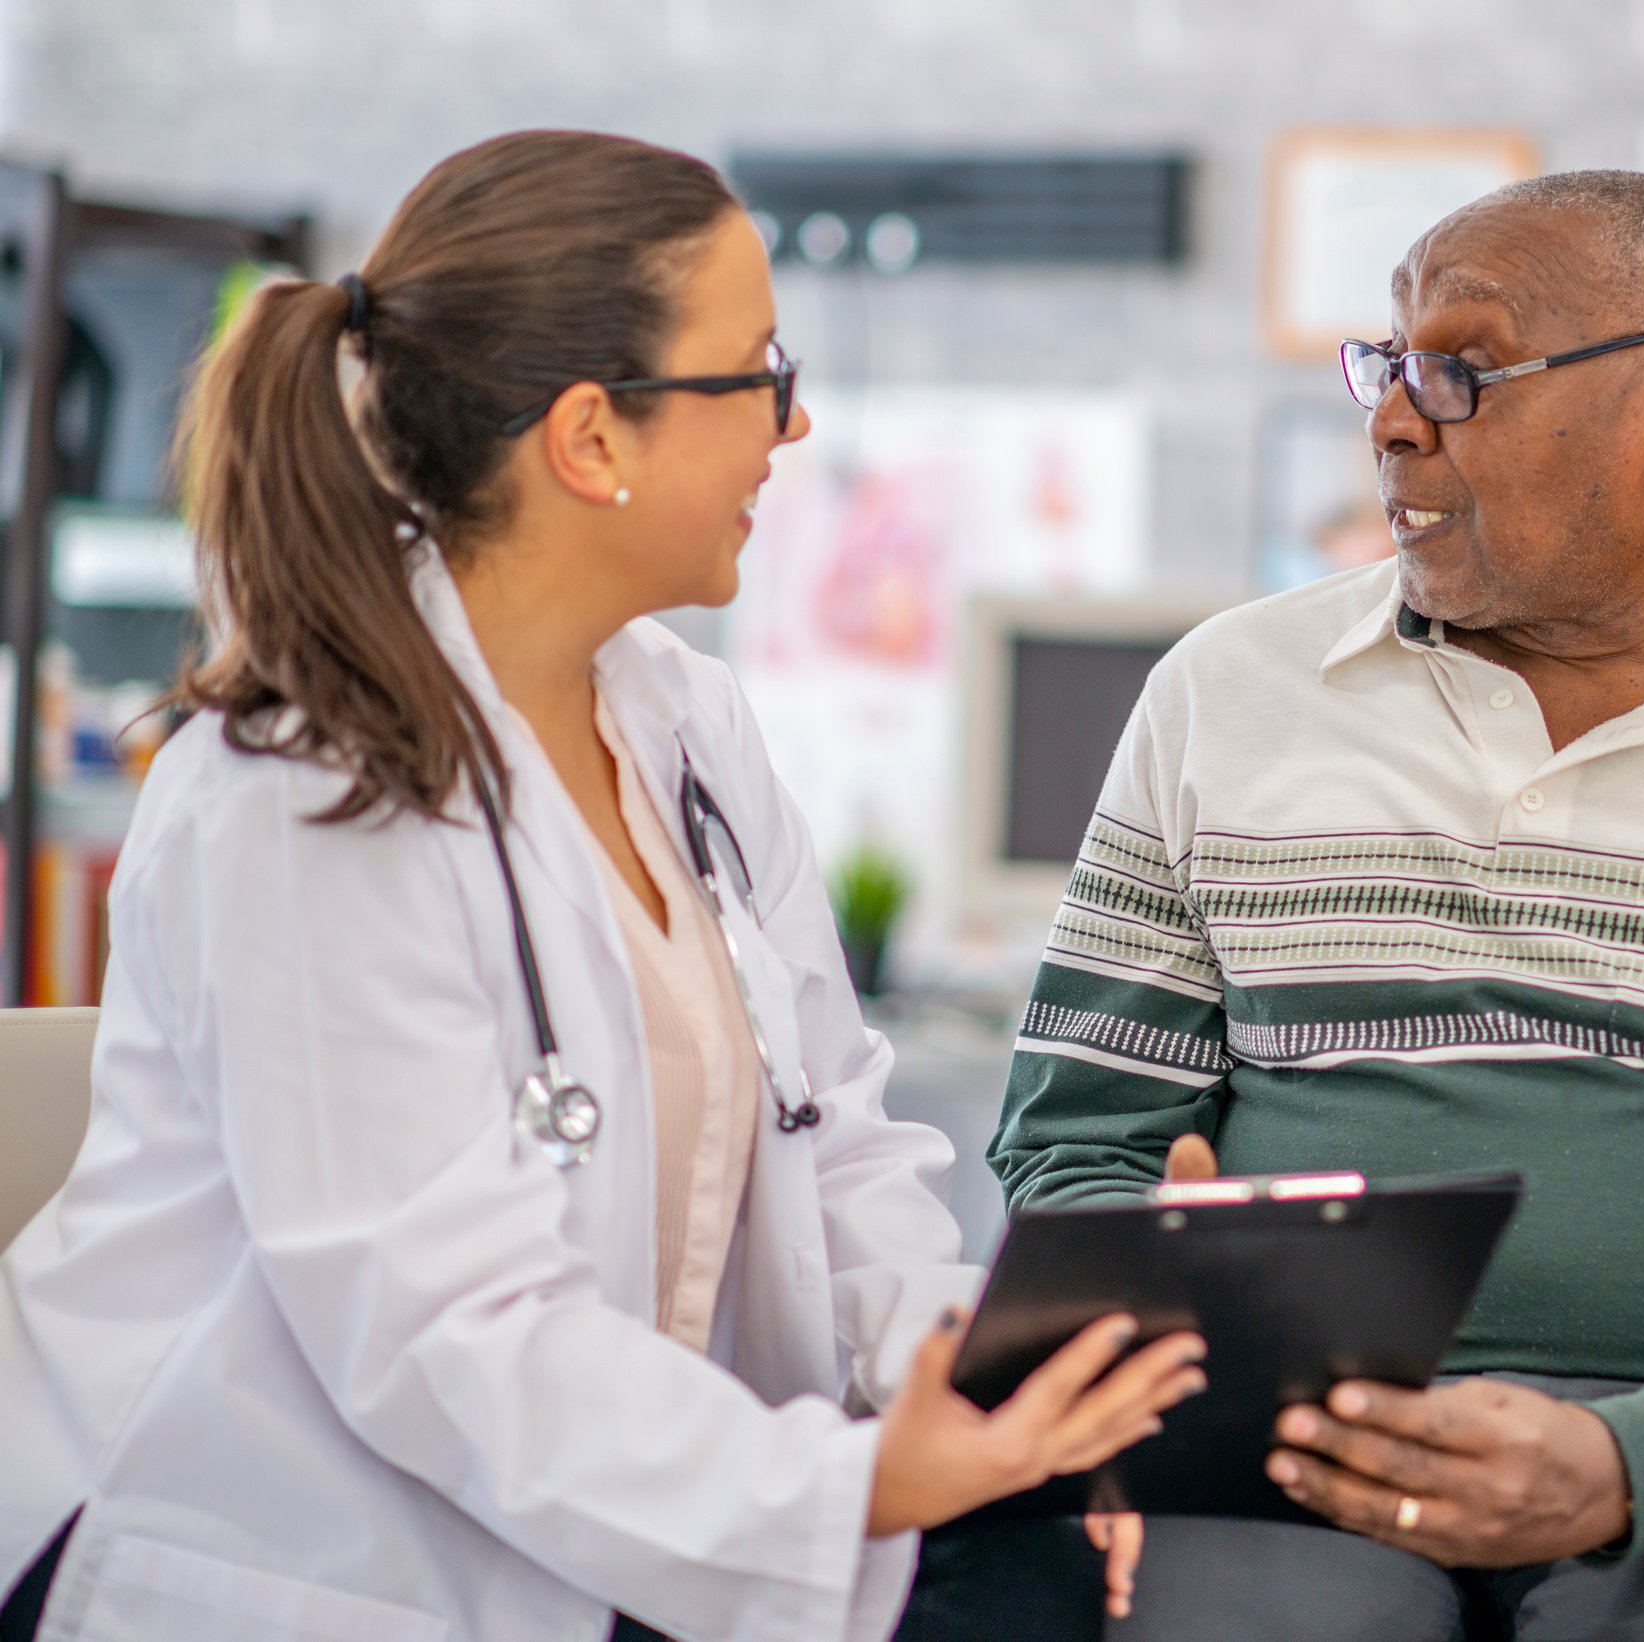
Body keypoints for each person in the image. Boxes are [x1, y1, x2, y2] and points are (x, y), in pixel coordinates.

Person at [0, 130, 1202, 1642]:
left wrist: (977, 1368)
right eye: (759, 373)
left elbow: (836, 1142)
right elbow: (444, 1332)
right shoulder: (307, 789)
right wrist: (846, 1491)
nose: (796, 418)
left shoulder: (684, 721)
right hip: (281, 1552)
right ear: (592, 438)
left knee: (1045, 1570)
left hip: (604, 1520)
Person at [944, 171, 1644, 1640]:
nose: (1393, 420)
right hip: (1295, 1449)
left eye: (1460, 371)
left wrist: (1626, 1465)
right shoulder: (1226, 697)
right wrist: (1188, 1345)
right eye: (1389, 361)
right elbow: (1074, 1147)